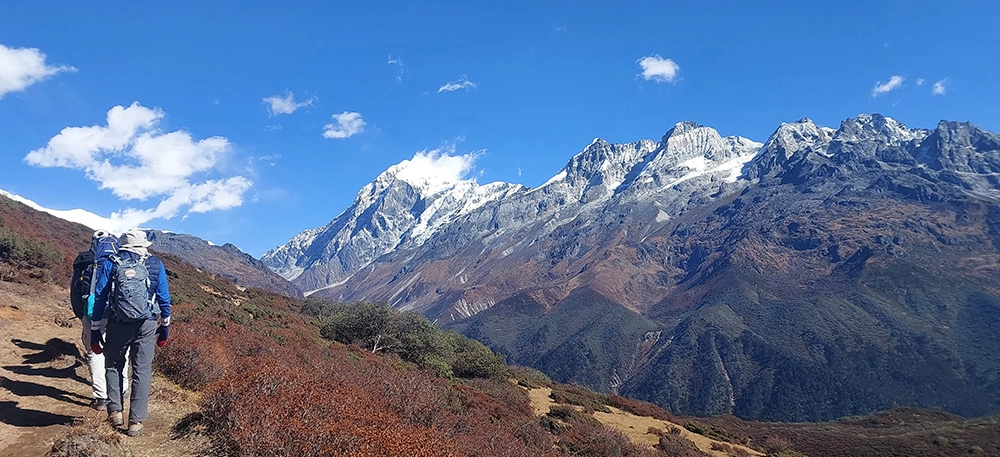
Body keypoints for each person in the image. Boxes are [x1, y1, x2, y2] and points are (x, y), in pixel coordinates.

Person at [90, 229, 171, 437]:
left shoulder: (111, 262)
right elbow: (163, 296)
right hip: (147, 323)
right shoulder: (155, 264)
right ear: (143, 245)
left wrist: (95, 329)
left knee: (113, 365)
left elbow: (99, 296)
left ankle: (115, 412)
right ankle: (136, 422)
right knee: (142, 370)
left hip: (118, 322)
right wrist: (165, 326)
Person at [74, 230, 131, 410]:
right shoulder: (119, 261)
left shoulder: (85, 261)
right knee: (122, 352)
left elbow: (75, 289)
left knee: (95, 353)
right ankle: (123, 390)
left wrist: (80, 313)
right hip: (117, 314)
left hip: (91, 313)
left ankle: (102, 397)